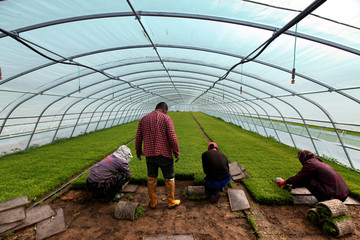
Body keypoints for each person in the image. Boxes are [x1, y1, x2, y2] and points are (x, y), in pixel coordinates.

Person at [135, 102, 181, 209]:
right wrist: (176, 151)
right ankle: (171, 202)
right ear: (165, 109)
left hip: (149, 155)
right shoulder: (166, 118)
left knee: (151, 178)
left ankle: (153, 202)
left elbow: (138, 137)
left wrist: (138, 150)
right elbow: (172, 136)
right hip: (164, 153)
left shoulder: (143, 119)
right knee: (169, 177)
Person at [277, 150, 349, 202]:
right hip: (344, 194)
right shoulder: (316, 161)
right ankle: (292, 186)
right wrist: (293, 185)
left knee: (308, 181)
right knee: (309, 179)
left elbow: (299, 177)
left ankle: (324, 201)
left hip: (336, 196)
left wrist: (284, 182)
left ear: (302, 158)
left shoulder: (310, 164)